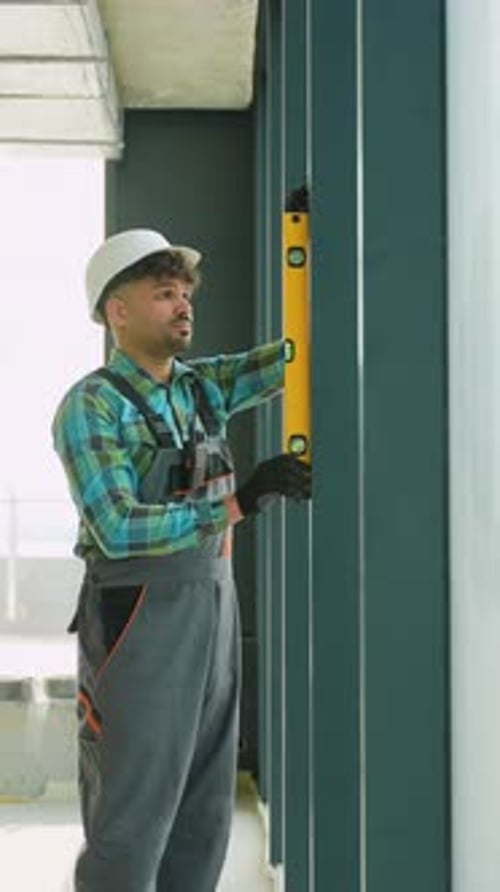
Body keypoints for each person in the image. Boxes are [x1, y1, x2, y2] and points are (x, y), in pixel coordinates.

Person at [52, 228, 311, 892]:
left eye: (186, 293)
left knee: (204, 809)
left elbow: (292, 357)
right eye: (164, 293)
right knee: (132, 816)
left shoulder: (199, 390)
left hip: (213, 607)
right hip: (137, 617)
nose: (183, 306)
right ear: (118, 311)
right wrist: (236, 503)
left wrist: (313, 256)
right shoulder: (93, 405)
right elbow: (115, 526)